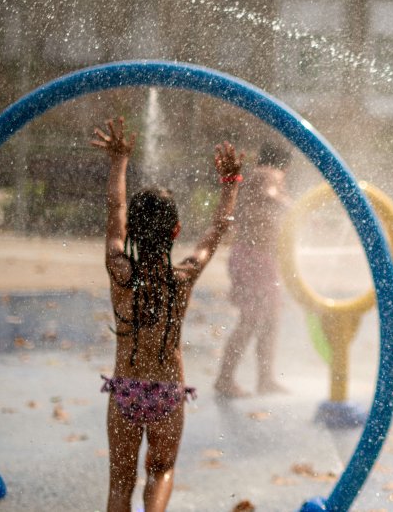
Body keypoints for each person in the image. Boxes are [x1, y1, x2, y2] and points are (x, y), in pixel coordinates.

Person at [92, 116, 242, 512]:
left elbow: (115, 208)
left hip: (126, 389)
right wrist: (230, 186)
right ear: (175, 231)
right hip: (167, 392)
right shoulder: (184, 276)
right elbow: (218, 230)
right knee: (161, 472)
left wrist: (119, 161)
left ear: (132, 234)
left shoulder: (118, 270)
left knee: (120, 483)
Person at [214, 141, 293, 397]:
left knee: (271, 319)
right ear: (285, 165)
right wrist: (296, 209)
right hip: (253, 259)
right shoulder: (268, 174)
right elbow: (270, 194)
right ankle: (225, 380)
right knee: (251, 320)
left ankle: (265, 378)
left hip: (257, 259)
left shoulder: (255, 177)